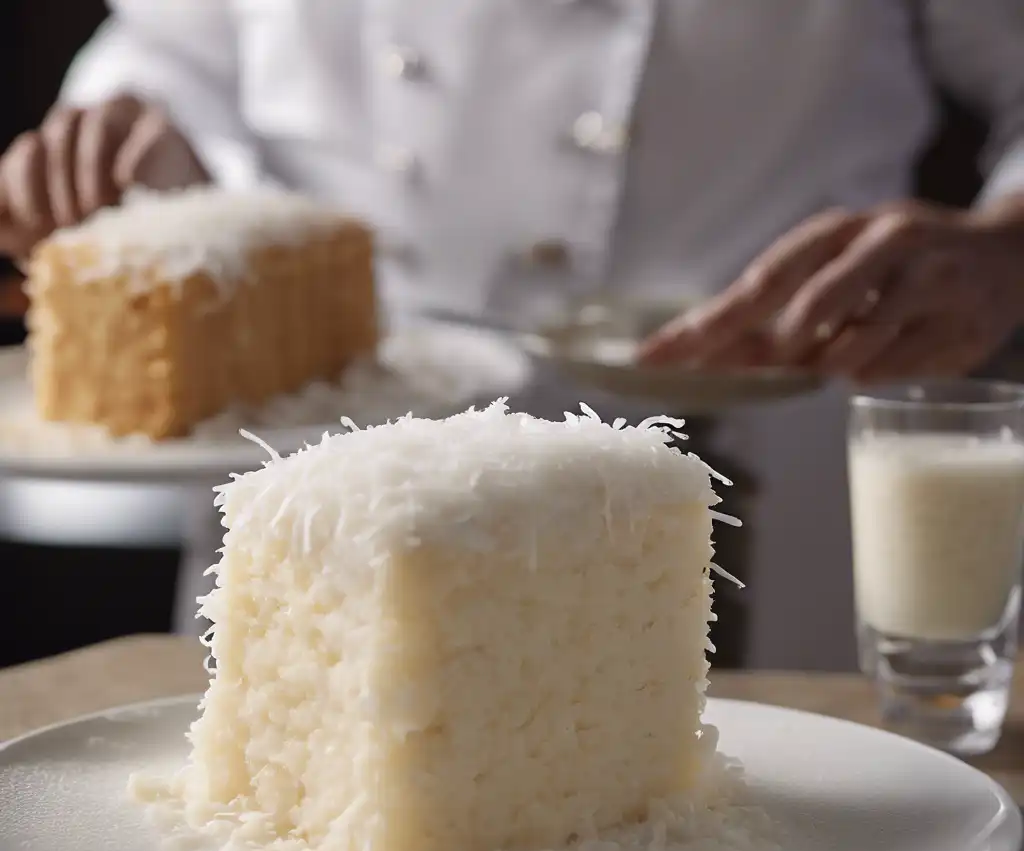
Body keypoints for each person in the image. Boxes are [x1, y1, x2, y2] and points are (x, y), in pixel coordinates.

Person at [1, 1, 1023, 663]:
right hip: (332, 461)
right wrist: (131, 130)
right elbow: (171, 43)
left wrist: (1002, 245)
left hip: (743, 459)